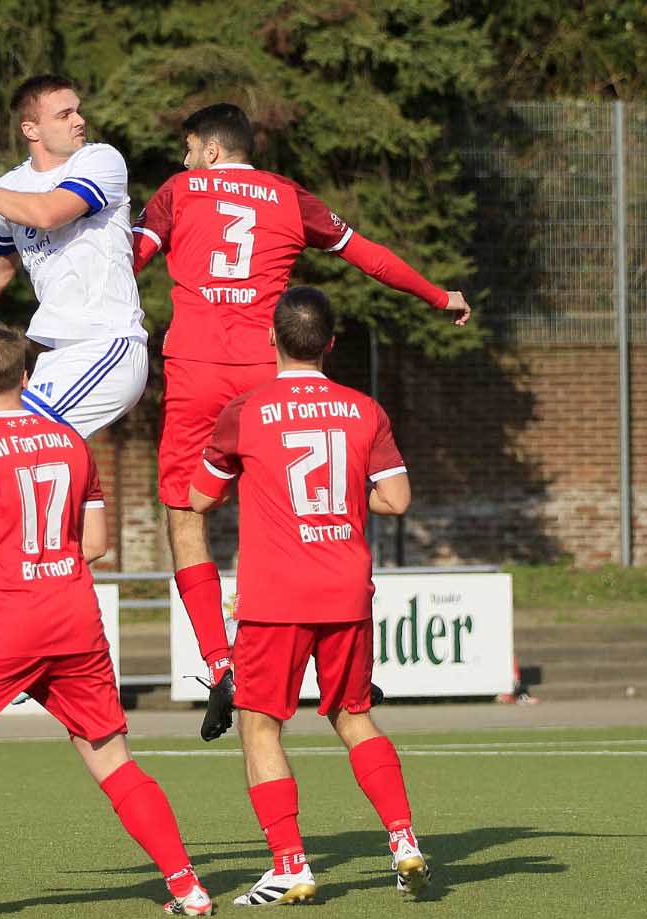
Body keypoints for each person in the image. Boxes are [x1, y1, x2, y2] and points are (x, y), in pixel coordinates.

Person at [133, 102, 471, 741]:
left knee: (185, 512)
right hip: (268, 373)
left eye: (186, 146)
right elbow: (366, 254)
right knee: (304, 498)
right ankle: (347, 655)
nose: (182, 158)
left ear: (208, 149)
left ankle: (219, 659)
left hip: (197, 368)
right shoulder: (291, 198)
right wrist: (435, 293)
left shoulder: (178, 191)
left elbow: (129, 261)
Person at [0, 329, 211, 917]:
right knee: (113, 761)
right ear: (26, 379)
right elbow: (97, 544)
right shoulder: (70, 442)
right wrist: (46, 561)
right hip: (72, 619)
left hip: (1, 620)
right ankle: (186, 885)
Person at [189, 287, 430, 904]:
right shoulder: (363, 409)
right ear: (329, 342)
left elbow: (199, 497)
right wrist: (346, 504)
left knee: (260, 726)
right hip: (346, 589)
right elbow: (396, 500)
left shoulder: (244, 410)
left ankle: (291, 864)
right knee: (354, 716)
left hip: (276, 596)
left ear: (272, 339)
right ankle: (403, 840)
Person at [0, 74, 148, 438]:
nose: (79, 121)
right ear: (31, 129)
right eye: (64, 115)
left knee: (14, 440)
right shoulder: (10, 187)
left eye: (78, 111)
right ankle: (85, 497)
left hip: (108, 345)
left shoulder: (101, 160)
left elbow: (47, 213)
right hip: (57, 356)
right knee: (20, 451)